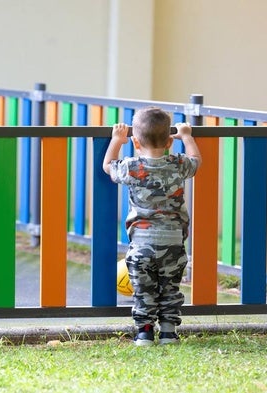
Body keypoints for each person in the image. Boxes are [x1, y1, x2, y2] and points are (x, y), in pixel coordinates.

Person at [102, 106, 202, 346]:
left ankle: (145, 332)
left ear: (135, 142)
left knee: (144, 292)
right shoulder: (178, 164)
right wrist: (187, 136)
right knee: (170, 289)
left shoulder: (132, 167)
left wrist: (117, 139)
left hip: (142, 246)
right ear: (169, 141)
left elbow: (108, 166)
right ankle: (168, 332)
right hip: (173, 243)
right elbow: (196, 161)